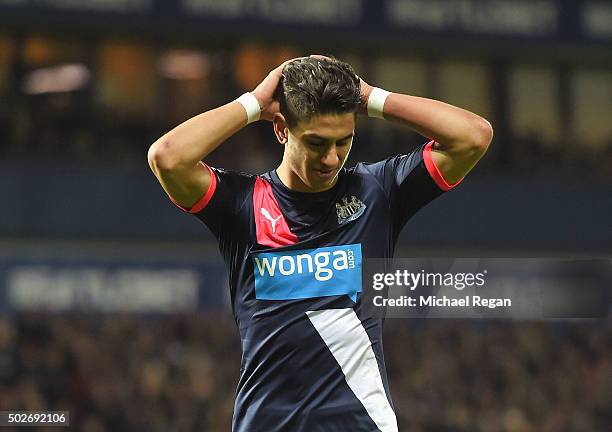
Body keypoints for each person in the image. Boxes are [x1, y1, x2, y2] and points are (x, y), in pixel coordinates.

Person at [148, 56, 492, 432]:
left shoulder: (377, 192)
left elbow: (473, 135)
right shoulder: (243, 205)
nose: (331, 158)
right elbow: (168, 157)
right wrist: (253, 104)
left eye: (343, 141)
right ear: (281, 130)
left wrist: (369, 96)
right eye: (316, 143)